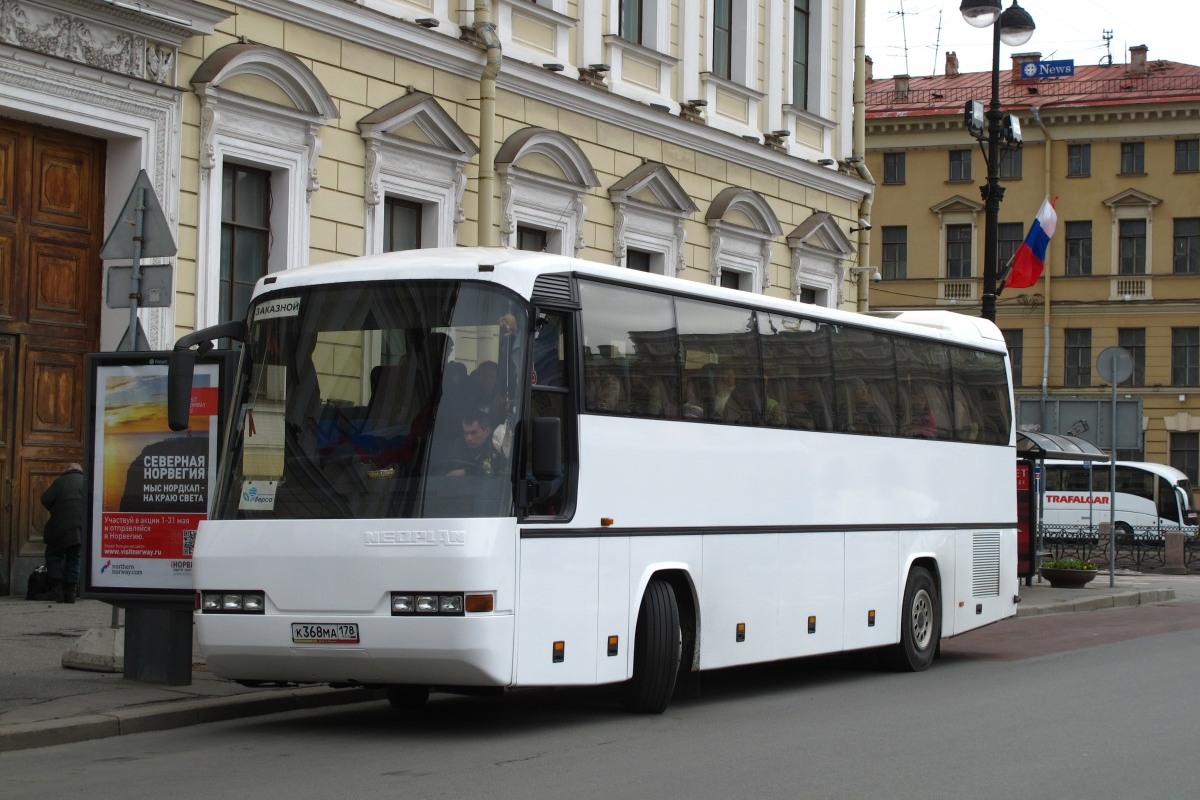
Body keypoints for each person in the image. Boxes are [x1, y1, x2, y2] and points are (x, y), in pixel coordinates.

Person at [39, 462, 86, 603]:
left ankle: (57, 590)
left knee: (53, 556)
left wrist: (56, 507)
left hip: (59, 527)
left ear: (66, 470)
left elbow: (46, 499)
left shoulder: (60, 481)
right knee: (75, 558)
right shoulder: (85, 482)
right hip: (78, 528)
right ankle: (71, 592)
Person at [445, 408, 506, 477]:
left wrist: (467, 473)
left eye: (473, 433)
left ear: (487, 431)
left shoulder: (497, 447)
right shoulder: (458, 447)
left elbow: (498, 472)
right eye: (465, 433)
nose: (469, 438)